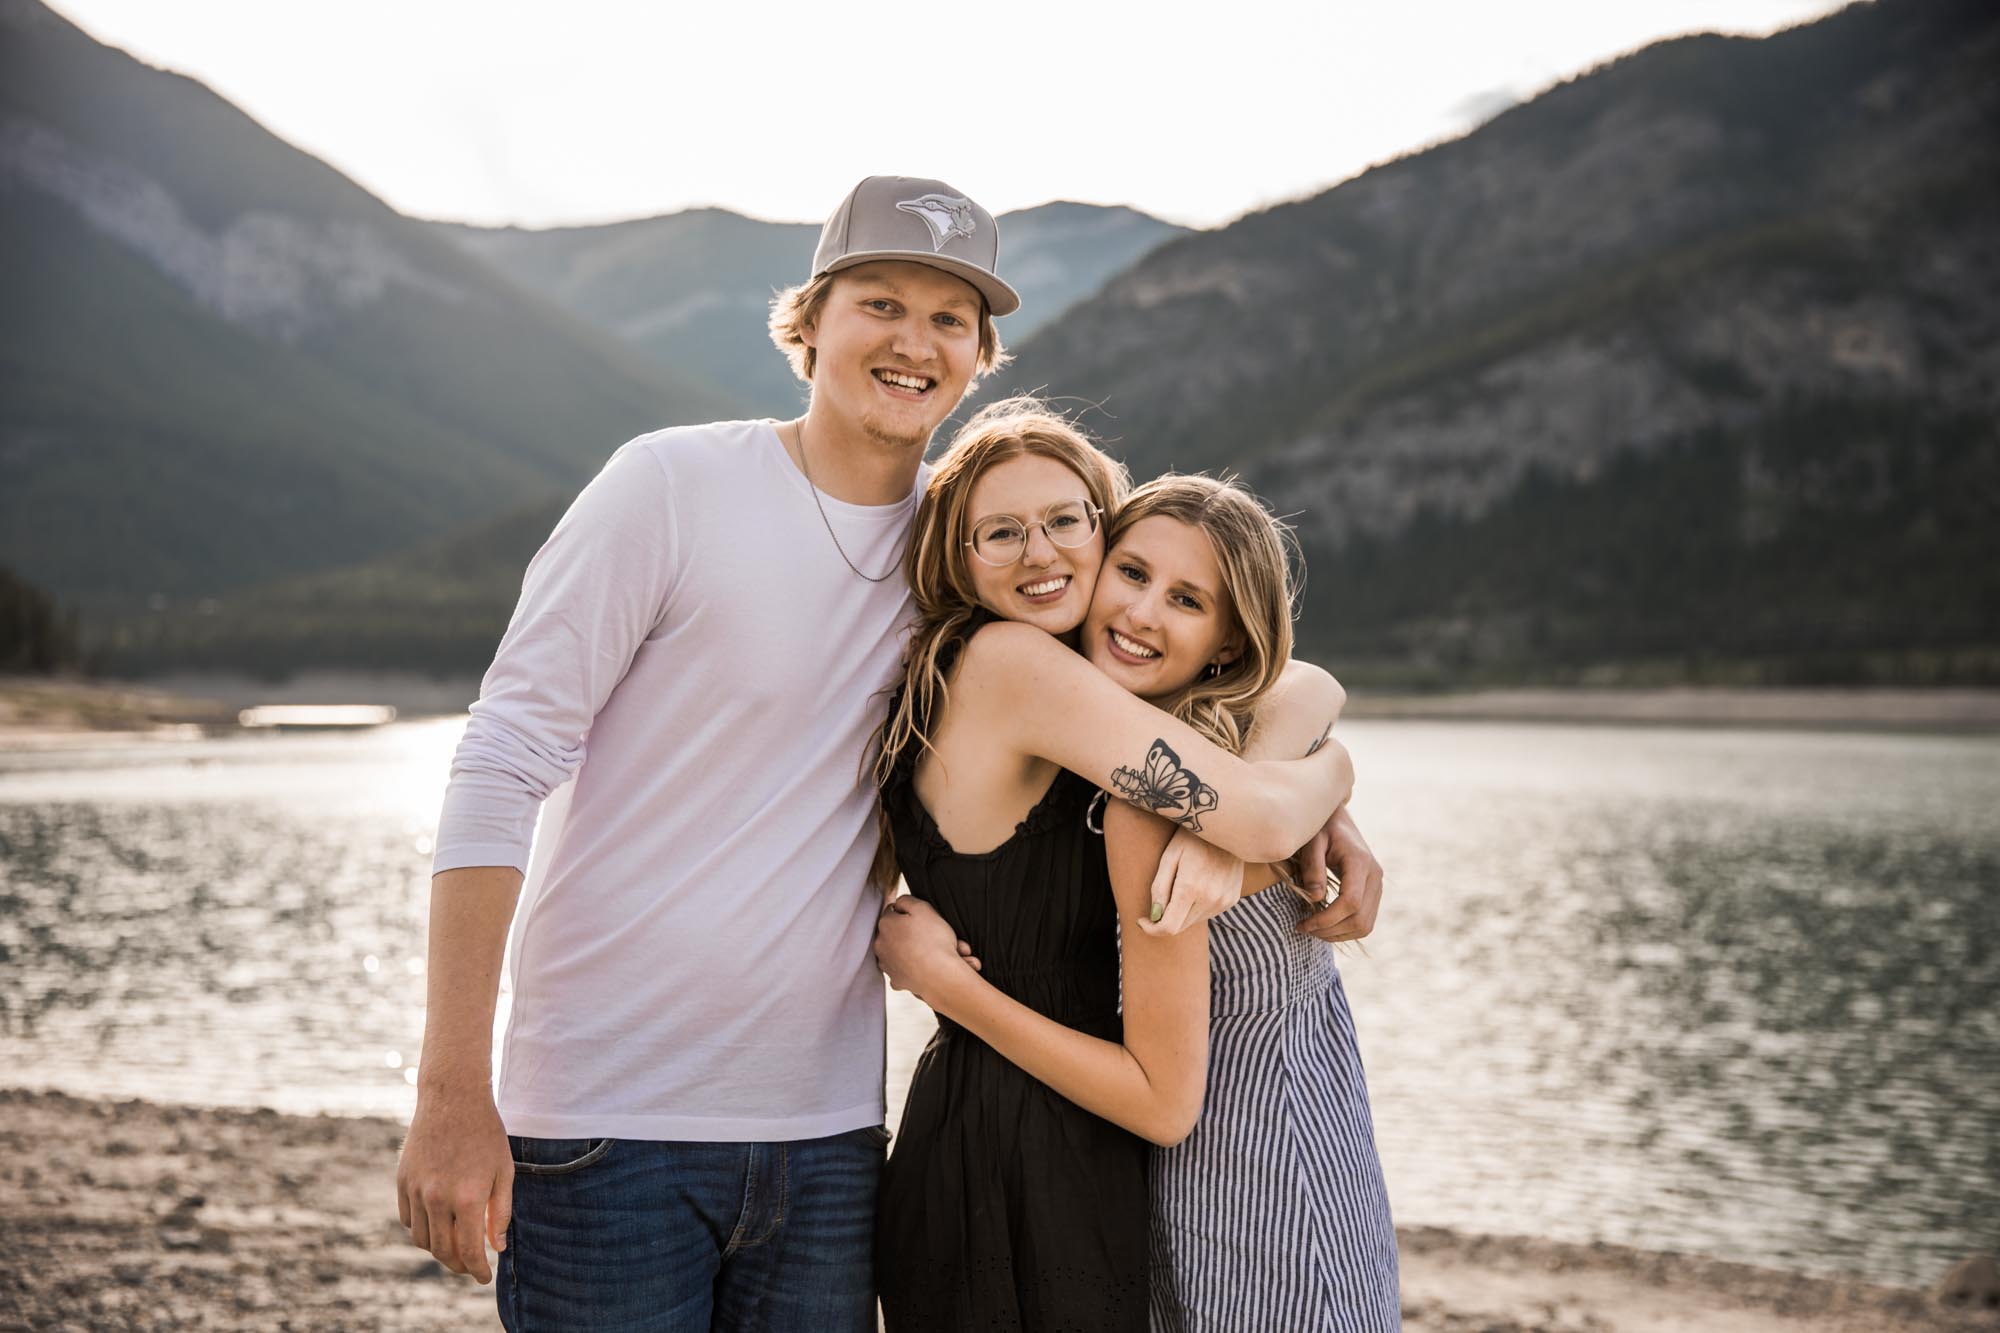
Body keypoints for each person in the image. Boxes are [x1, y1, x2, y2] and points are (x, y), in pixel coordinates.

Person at [397, 175, 1031, 1332]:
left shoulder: (971, 546)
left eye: (950, 319)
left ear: (978, 355)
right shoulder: (671, 486)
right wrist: (449, 1090)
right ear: (810, 326)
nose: (913, 341)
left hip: (829, 1135)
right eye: (880, 303)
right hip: (604, 1124)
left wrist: (1311, 797)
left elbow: (1168, 661)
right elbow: (501, 757)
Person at [866, 404, 1360, 1331]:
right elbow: (1255, 801)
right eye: (999, 532)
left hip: (1009, 1132)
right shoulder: (1013, 662)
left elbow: (1300, 684)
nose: (1039, 553)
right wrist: (1331, 773)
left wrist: (1312, 808)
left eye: (1065, 522)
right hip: (1022, 1160)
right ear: (957, 556)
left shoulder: (1051, 686)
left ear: (1103, 518)